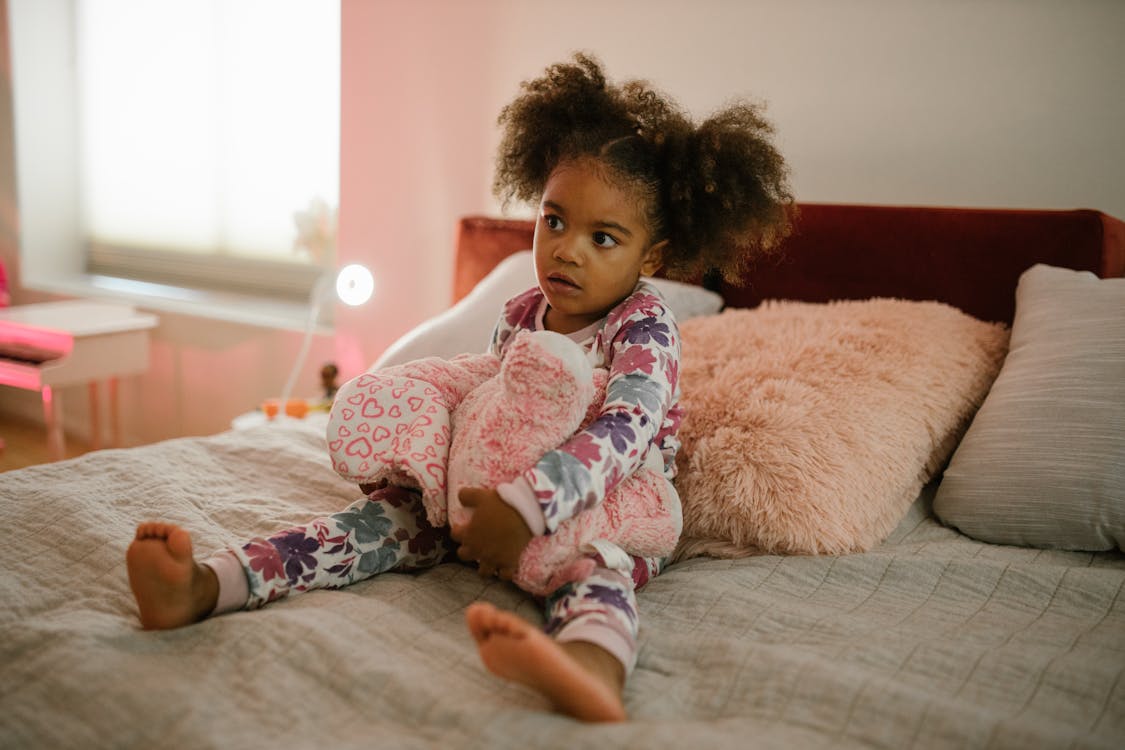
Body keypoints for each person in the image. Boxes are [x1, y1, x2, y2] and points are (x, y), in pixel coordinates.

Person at [126, 52, 793, 722]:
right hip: (488, 500)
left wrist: (527, 510)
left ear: (649, 257)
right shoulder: (519, 313)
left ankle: (591, 665)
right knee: (375, 521)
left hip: (604, 510)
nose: (566, 249)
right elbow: (484, 401)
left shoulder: (644, 328)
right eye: (554, 220)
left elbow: (623, 432)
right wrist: (426, 470)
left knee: (597, 572)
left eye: (603, 237)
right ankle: (212, 583)